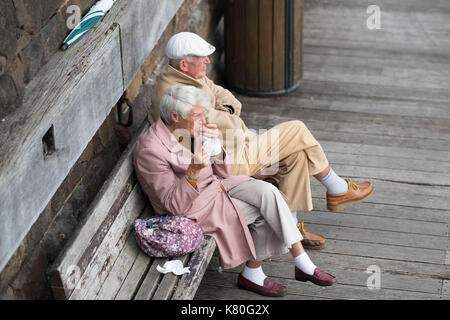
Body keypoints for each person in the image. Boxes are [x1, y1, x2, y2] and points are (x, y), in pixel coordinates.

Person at [148, 32, 374, 250]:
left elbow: (227, 98)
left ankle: (293, 229)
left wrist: (226, 109)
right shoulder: (174, 93)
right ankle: (337, 188)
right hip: (223, 164)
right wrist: (225, 115)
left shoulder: (191, 76)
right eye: (201, 57)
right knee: (297, 130)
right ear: (184, 64)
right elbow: (219, 124)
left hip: (237, 145)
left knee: (295, 155)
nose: (208, 60)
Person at [134, 85, 336, 297]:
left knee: (268, 192)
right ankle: (262, 272)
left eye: (204, 113)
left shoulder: (186, 130)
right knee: (264, 208)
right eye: (197, 115)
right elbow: (174, 205)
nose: (203, 119)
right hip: (195, 210)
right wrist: (193, 171)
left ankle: (299, 262)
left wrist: (214, 146)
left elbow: (223, 172)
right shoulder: (151, 150)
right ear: (174, 116)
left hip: (218, 188)